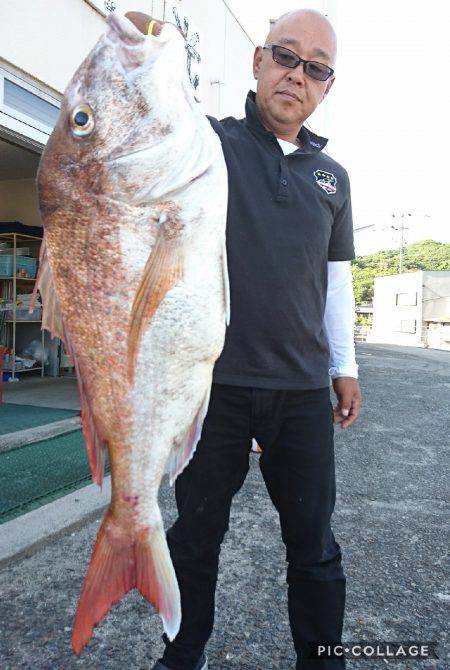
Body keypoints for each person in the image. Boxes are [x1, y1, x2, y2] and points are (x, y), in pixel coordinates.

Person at [126, 8, 362, 670]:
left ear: (327, 86)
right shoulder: (209, 142)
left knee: (314, 546)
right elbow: (152, 116)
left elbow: (335, 283)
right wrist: (146, 42)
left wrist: (345, 366)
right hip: (213, 387)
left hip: (303, 391)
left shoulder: (333, 178)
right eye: (286, 56)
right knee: (195, 538)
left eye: (316, 67)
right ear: (258, 61)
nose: (298, 74)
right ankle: (182, 655)